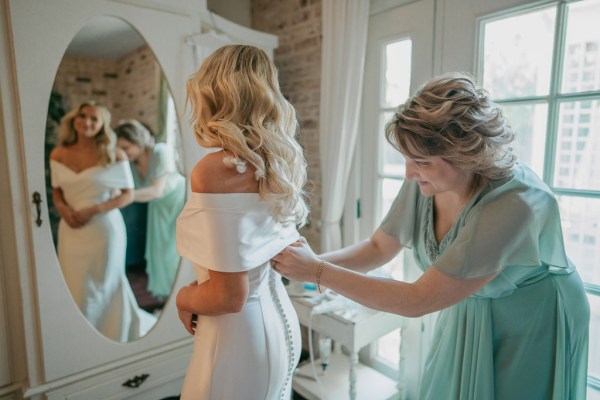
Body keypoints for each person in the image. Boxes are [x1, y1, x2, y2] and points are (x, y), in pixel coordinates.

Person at [273, 72, 590, 400]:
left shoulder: (514, 204)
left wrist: (317, 271)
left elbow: (418, 299)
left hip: (533, 318)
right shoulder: (427, 181)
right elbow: (379, 247)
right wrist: (305, 264)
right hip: (472, 306)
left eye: (420, 162)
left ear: (466, 157)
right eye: (407, 159)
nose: (409, 172)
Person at [175, 44, 309, 400]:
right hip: (279, 320)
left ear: (215, 97)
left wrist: (184, 297)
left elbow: (229, 295)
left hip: (236, 336)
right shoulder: (277, 161)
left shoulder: (214, 171)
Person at [50, 101, 157, 342]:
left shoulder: (112, 154)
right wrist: (64, 211)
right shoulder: (58, 154)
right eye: (83, 116)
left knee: (106, 282)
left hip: (104, 229)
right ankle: (79, 339)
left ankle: (111, 333)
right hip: (72, 229)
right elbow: (56, 190)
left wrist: (94, 210)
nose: (87, 122)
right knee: (75, 283)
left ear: (102, 126)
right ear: (74, 119)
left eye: (94, 119)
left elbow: (127, 194)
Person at [115, 119, 186, 300]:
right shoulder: (130, 164)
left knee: (176, 253)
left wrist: (122, 197)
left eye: (126, 147)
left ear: (138, 141)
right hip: (158, 209)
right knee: (159, 255)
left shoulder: (161, 151)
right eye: (119, 149)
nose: (123, 153)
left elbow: (156, 190)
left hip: (178, 203)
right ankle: (168, 299)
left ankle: (184, 295)